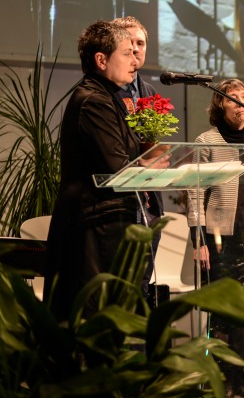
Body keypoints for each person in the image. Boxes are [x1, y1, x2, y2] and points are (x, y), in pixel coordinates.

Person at [43, 20, 168, 321]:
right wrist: (147, 164)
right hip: (93, 230)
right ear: (101, 60)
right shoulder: (94, 101)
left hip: (107, 225)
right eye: (126, 53)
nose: (134, 61)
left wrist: (146, 163)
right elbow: (118, 168)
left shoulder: (108, 96)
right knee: (95, 321)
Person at [186, 79, 244, 397]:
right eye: (231, 97)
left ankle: (240, 376)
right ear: (220, 106)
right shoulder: (206, 140)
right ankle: (221, 376)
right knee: (224, 310)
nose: (240, 101)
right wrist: (198, 241)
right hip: (219, 236)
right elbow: (195, 193)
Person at [111, 15, 164, 297]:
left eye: (141, 43)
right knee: (118, 287)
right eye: (129, 43)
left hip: (148, 205)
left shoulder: (149, 92)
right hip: (118, 207)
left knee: (141, 286)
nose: (135, 49)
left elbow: (152, 145)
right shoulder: (105, 91)